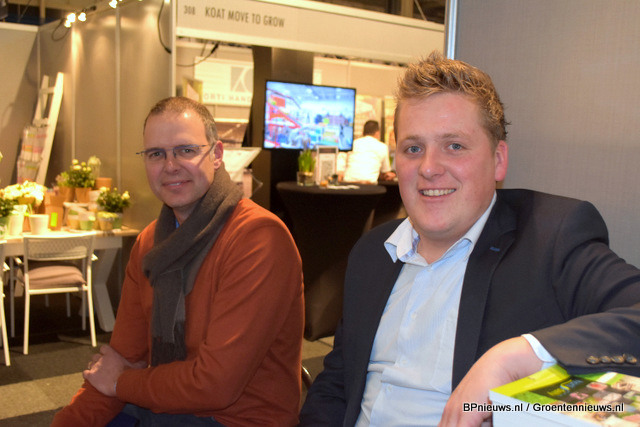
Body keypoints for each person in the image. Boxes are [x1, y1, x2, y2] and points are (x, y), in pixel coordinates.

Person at [299, 51, 640, 426]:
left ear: (498, 160)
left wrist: (514, 359)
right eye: (413, 148)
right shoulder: (373, 251)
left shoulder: (550, 238)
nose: (429, 168)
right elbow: (336, 386)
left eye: (454, 146)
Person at [52, 97, 304, 426]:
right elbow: (120, 360)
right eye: (156, 154)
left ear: (216, 155)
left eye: (186, 150)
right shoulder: (149, 243)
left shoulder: (258, 239)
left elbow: (215, 386)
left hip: (237, 419)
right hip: (162, 402)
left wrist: (121, 382)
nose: (170, 166)